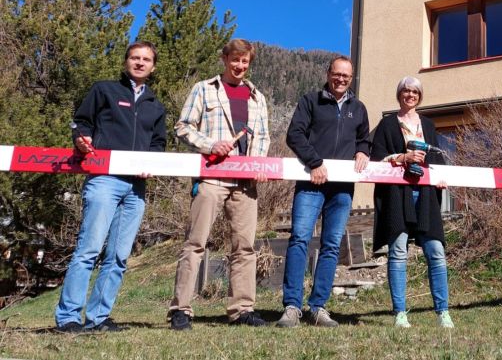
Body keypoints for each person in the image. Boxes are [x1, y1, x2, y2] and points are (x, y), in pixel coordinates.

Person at [54, 41, 166, 333]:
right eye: (135, 58)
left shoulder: (156, 105)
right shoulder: (104, 90)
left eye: (146, 59)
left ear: (153, 67)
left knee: (118, 256)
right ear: (126, 61)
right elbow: (81, 123)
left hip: (136, 188)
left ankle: (98, 318)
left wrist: (151, 163)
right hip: (103, 180)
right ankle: (68, 318)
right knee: (88, 250)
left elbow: (158, 143)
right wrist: (82, 139)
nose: (140, 63)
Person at [168, 39, 270, 330]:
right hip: (211, 177)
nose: (239, 66)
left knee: (245, 247)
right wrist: (211, 144)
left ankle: (242, 309)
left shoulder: (257, 97)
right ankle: (181, 310)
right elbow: (183, 126)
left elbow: (262, 137)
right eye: (235, 60)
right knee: (195, 243)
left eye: (245, 62)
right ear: (225, 59)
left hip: (245, 183)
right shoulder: (203, 89)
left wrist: (256, 164)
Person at [276, 55, 370, 328]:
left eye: (347, 76)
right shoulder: (311, 100)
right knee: (299, 239)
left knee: (331, 246)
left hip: (342, 189)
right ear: (328, 73)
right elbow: (295, 134)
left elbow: (364, 138)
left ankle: (318, 307)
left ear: (351, 79)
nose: (341, 79)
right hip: (311, 183)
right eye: (337, 74)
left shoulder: (358, 108)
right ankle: (292, 307)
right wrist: (315, 163)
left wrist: (364, 150)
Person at [370, 76, 454, 328]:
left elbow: (438, 157)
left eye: (415, 92)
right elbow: (377, 159)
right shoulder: (386, 124)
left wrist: (439, 176)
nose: (410, 95)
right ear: (399, 95)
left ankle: (443, 312)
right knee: (398, 253)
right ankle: (400, 314)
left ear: (420, 96)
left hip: (426, 196)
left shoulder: (428, 124)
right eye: (405, 91)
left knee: (436, 252)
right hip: (397, 195)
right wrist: (402, 157)